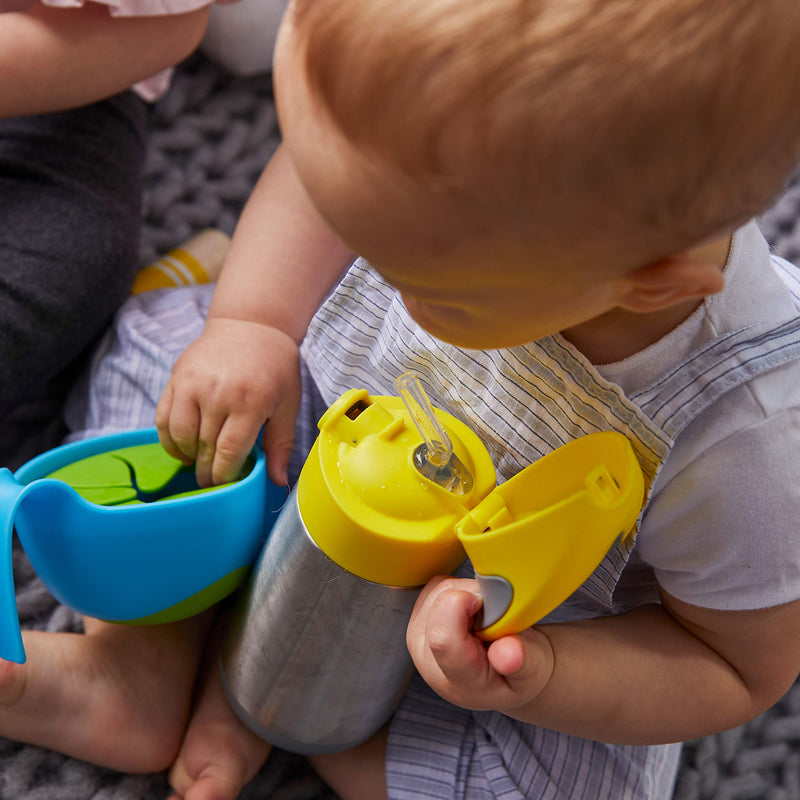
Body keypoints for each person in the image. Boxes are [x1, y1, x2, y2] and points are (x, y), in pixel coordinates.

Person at [5, 0, 800, 799]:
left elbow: (732, 667)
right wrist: (256, 324)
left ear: (648, 282)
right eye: (358, 232)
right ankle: (141, 663)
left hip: (490, 620)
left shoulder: (746, 441)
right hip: (312, 420)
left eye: (419, 281)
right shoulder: (436, 167)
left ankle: (297, 706)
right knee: (173, 355)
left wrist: (546, 673)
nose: (372, 266)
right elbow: (320, 184)